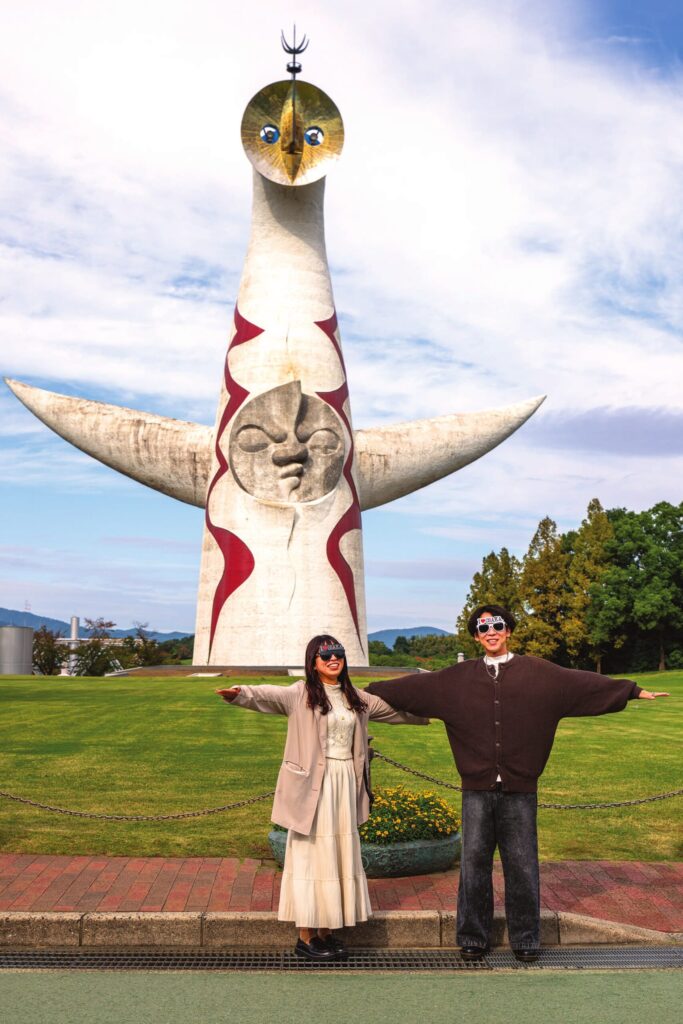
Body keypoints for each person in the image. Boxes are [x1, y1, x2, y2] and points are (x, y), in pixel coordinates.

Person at [365, 604, 668, 963]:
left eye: (497, 626)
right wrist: (361, 690)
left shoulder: (540, 674)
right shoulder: (456, 679)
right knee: (474, 863)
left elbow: (584, 684)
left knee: (522, 863)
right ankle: (472, 936)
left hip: (521, 788)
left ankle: (526, 937)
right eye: (482, 628)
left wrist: (631, 691)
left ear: (508, 630)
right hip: (476, 788)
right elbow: (413, 688)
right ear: (476, 636)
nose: (490, 632)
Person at [216, 634, 428, 962]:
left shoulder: (357, 698)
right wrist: (240, 694)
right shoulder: (300, 694)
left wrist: (437, 710)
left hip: (345, 784)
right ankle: (306, 936)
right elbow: (267, 696)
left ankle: (327, 931)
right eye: (325, 655)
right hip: (313, 786)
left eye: (338, 654)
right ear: (313, 662)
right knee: (312, 855)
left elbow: (397, 712)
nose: (333, 659)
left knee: (337, 855)